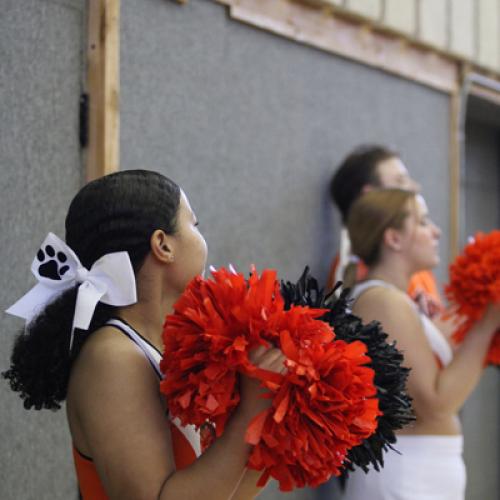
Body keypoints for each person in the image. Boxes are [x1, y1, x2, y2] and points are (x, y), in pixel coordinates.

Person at [4, 170, 284, 500]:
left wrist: (273, 406)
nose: (201, 237)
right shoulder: (113, 358)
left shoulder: (160, 348)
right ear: (162, 245)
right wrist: (249, 413)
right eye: (195, 224)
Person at [340, 189, 500, 500]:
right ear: (394, 239)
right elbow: (437, 402)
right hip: (406, 474)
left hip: (419, 470)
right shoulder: (382, 300)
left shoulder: (398, 302)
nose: (436, 231)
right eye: (424, 222)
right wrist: (489, 321)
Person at [327, 145, 443, 319]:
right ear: (370, 197)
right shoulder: (356, 270)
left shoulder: (415, 262)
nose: (415, 188)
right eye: (400, 181)